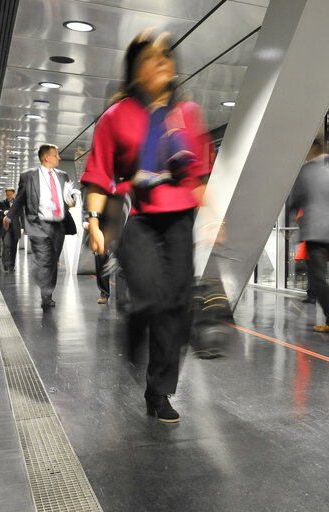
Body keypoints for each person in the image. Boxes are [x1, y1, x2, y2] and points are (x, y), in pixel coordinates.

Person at [81, 29, 212, 423]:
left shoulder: (187, 115)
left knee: (175, 308)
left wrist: (214, 218)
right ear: (135, 70)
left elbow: (200, 174)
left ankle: (158, 392)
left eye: (166, 56)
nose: (161, 62)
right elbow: (99, 174)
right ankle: (136, 317)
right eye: (150, 57)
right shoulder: (116, 116)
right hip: (136, 217)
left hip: (178, 220)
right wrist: (93, 222)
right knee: (152, 298)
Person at [289, 136, 329, 333]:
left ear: (314, 148)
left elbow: (296, 199)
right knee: (320, 277)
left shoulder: (307, 171)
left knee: (317, 278)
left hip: (315, 231)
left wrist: (291, 221)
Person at [4, 144, 77, 308]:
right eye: (56, 155)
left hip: (59, 224)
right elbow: (20, 199)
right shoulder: (28, 176)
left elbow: (69, 199)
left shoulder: (63, 176)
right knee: (44, 257)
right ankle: (46, 295)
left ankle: (45, 287)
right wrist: (9, 217)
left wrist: (72, 200)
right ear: (46, 157)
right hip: (38, 224)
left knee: (52, 260)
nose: (59, 158)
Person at [0, 187, 24, 272]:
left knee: (13, 247)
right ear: (5, 194)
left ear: (14, 194)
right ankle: (6, 264)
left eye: (10, 194)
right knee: (6, 244)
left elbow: (22, 216)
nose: (8, 196)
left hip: (16, 228)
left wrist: (23, 227)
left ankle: (12, 265)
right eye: (7, 194)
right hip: (6, 228)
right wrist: (3, 212)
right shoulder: (2, 203)